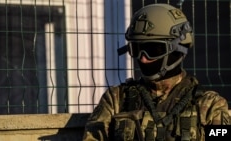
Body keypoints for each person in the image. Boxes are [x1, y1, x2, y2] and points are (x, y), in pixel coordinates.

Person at [83, 3, 230, 141]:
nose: (143, 59)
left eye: (153, 50)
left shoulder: (209, 105)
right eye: (137, 49)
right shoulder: (116, 100)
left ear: (177, 48)